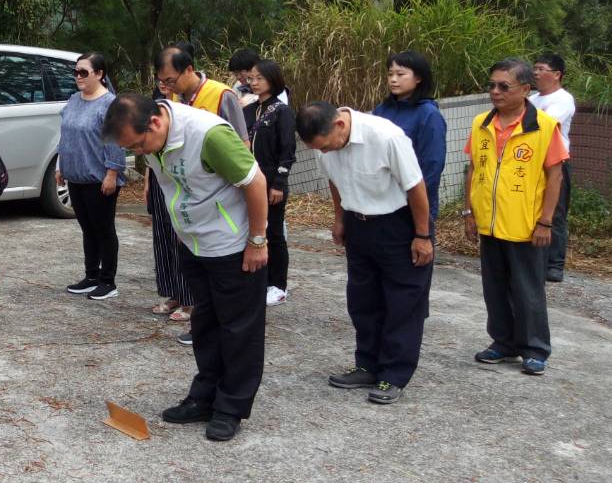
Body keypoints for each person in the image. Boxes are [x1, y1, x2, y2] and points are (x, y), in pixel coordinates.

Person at [103, 93, 269, 442]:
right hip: (194, 244)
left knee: (239, 330)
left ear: (155, 123)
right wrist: (183, 230)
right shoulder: (154, 142)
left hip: (233, 246)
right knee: (205, 324)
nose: (141, 154)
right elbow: (176, 187)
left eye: (139, 145)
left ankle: (231, 408)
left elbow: (256, 182)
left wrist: (257, 241)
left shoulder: (209, 135)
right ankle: (205, 396)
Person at [297, 101, 434, 405]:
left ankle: (394, 375)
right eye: (319, 149)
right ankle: (367, 365)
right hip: (358, 224)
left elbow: (415, 187)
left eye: (327, 146)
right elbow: (333, 182)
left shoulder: (386, 136)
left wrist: (422, 235)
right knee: (363, 299)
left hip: (398, 224)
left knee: (402, 301)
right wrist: (339, 218)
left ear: (340, 126)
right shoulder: (323, 146)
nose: (325, 153)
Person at [464, 58, 567, 376]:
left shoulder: (544, 127)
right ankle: (503, 342)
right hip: (490, 223)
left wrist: (546, 221)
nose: (495, 91)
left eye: (503, 86)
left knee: (527, 290)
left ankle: (534, 348)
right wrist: (469, 211)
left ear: (525, 90)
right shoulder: (481, 123)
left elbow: (555, 176)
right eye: (492, 85)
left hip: (525, 224)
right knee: (494, 287)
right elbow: (473, 169)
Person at [156, 43, 250, 345]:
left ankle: (211, 324)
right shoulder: (171, 100)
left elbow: (242, 147)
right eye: (162, 82)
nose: (166, 87)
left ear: (188, 70)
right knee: (186, 252)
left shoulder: (222, 95)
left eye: (171, 80)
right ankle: (192, 308)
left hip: (218, 194)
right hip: (185, 190)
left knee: (220, 267)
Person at [56, 52, 129, 301]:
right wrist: (60, 166)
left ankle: (108, 281)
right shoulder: (74, 99)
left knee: (104, 229)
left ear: (99, 74)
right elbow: (65, 136)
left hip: (99, 178)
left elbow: (115, 141)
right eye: (76, 72)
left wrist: (112, 172)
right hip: (75, 177)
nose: (78, 77)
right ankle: (91, 275)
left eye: (84, 72)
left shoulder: (110, 104)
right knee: (87, 228)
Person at [372, 50, 447, 236]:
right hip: (380, 202)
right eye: (390, 74)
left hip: (411, 205)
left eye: (400, 74)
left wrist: (415, 199)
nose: (393, 80)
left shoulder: (429, 115)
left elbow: (432, 165)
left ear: (418, 78)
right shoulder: (381, 110)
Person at [245, 59, 296, 306]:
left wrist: (279, 183)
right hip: (249, 180)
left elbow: (288, 150)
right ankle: (257, 279)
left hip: (271, 182)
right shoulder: (250, 109)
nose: (253, 83)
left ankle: (278, 285)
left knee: (274, 232)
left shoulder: (281, 111)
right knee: (253, 230)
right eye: (251, 78)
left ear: (273, 80)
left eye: (259, 78)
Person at [145, 82, 195, 326]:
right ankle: (173, 292)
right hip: (158, 177)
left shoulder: (188, 105)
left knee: (181, 237)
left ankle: (189, 298)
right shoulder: (154, 104)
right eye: (160, 78)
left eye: (168, 78)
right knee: (163, 237)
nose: (163, 83)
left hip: (180, 177)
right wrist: (147, 182)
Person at [531, 53, 575, 283]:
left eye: (541, 69)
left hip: (556, 162)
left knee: (555, 213)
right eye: (535, 69)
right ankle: (536, 259)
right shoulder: (533, 98)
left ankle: (555, 265)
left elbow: (544, 126)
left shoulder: (563, 99)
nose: (536, 73)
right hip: (533, 162)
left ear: (557, 74)